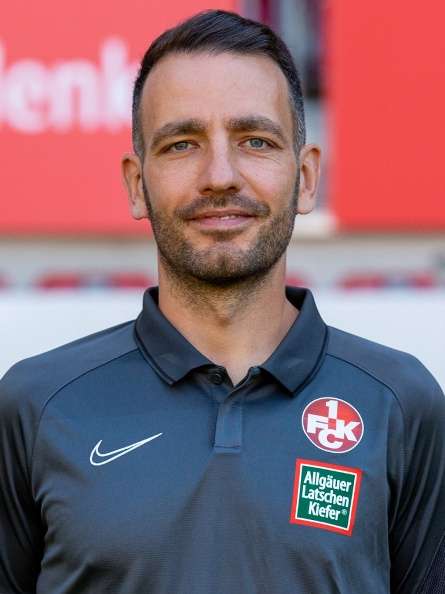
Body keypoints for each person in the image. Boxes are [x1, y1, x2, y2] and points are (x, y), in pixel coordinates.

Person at [0, 9, 444, 594]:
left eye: (255, 141)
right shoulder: (35, 406)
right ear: (136, 184)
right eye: (182, 144)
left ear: (307, 177)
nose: (219, 175)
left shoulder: (401, 405)